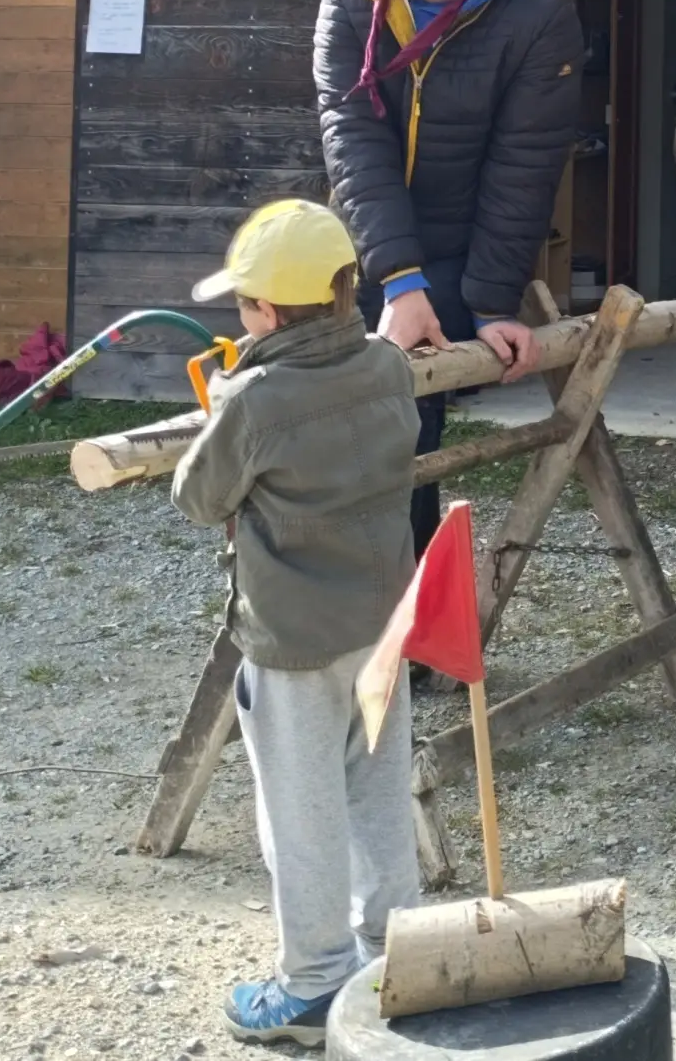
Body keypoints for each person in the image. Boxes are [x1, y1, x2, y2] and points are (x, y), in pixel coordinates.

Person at [171, 198, 422, 1048]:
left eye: (243, 302)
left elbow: (199, 498)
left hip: (293, 640)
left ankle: (315, 983)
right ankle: (400, 953)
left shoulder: (256, 396)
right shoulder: (388, 365)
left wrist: (223, 410)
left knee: (301, 808)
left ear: (267, 312)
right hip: (385, 621)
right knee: (382, 789)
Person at [314, 0, 582, 548]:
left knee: (410, 435)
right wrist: (399, 279)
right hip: (370, 245)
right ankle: (336, 628)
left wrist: (491, 301)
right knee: (338, 432)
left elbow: (523, 168)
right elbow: (352, 144)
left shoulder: (539, 14)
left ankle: (410, 641)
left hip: (462, 245)